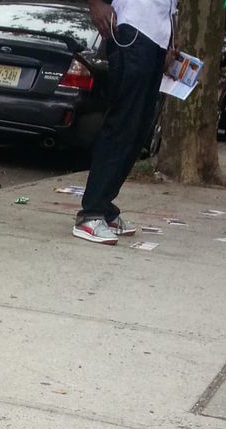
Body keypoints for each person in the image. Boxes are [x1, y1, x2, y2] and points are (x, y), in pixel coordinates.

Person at [73, 0, 178, 245]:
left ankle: (105, 207)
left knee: (139, 129)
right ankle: (90, 214)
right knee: (123, 123)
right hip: (133, 32)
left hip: (157, 39)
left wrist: (171, 41)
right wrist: (96, 4)